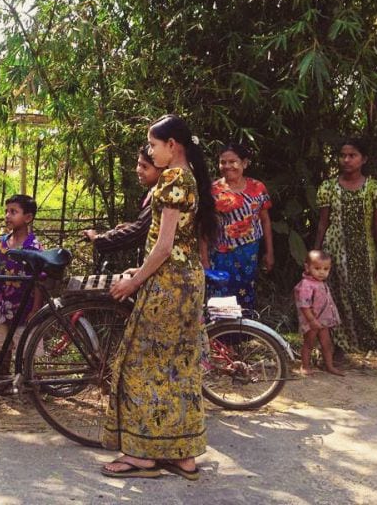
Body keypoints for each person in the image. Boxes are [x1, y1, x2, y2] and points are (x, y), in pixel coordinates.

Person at [102, 114, 217, 481]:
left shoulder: (172, 179)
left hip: (167, 285)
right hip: (187, 283)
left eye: (153, 145)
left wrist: (133, 282)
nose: (149, 152)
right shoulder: (191, 178)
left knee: (140, 366)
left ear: (173, 146)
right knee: (178, 368)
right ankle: (183, 456)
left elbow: (164, 246)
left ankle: (143, 456)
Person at [314, 137, 377, 383]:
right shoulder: (329, 187)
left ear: (363, 159)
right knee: (335, 303)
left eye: (352, 155)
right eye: (343, 155)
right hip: (335, 255)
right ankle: (335, 353)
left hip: (366, 255)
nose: (346, 160)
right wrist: (315, 254)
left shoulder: (375, 188)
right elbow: (323, 223)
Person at [201, 143, 274, 315]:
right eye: (223, 162)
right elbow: (203, 227)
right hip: (219, 254)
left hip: (249, 254)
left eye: (232, 161)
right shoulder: (212, 191)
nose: (227, 166)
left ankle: (243, 333)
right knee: (220, 294)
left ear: (245, 163)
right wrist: (204, 258)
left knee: (245, 291)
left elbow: (265, 221)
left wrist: (269, 252)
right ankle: (220, 336)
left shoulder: (258, 188)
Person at [0, 194, 43, 374]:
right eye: (6, 211)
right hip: (1, 305)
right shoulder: (2, 243)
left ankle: (26, 380)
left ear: (28, 218)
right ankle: (1, 379)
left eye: (13, 212)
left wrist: (35, 309)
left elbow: (38, 280)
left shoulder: (33, 247)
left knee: (25, 347)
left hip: (23, 307)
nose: (8, 216)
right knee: (0, 346)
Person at [81, 145, 164, 267]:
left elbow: (137, 233)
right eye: (138, 164)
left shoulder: (162, 195)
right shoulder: (151, 191)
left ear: (161, 170)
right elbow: (148, 228)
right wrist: (131, 226)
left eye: (145, 167)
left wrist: (98, 239)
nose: (138, 170)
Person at [294, 250, 344, 376]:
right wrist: (312, 320)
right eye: (317, 268)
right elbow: (304, 305)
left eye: (326, 269)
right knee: (309, 344)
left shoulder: (320, 282)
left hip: (323, 321)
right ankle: (305, 366)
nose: (322, 272)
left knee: (326, 344)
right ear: (307, 267)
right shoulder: (306, 284)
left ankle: (329, 366)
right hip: (312, 320)